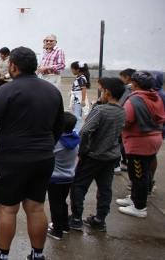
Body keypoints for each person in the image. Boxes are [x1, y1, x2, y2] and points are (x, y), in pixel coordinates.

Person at [0, 46, 65, 260]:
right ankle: (37, 254)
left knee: (8, 209)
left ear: (13, 66)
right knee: (36, 207)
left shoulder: (7, 91)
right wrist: (48, 146)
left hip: (12, 158)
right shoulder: (52, 91)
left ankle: (2, 255)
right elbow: (59, 126)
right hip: (43, 157)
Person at [68, 77, 126, 233]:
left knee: (79, 186)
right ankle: (100, 219)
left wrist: (82, 151)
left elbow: (85, 130)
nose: (100, 92)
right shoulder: (122, 111)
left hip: (93, 156)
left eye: (102, 90)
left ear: (107, 92)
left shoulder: (100, 110)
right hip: (111, 156)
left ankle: (76, 218)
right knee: (105, 188)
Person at [115, 71, 165, 218]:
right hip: (154, 138)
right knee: (144, 172)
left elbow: (125, 121)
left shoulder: (134, 100)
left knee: (138, 175)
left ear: (135, 84)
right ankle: (134, 198)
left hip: (139, 143)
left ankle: (139, 207)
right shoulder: (155, 96)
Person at [45, 112, 79, 240]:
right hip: (69, 177)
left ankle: (57, 230)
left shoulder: (57, 142)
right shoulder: (75, 140)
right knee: (62, 202)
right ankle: (65, 226)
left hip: (55, 178)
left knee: (55, 204)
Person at [69, 61, 91, 130]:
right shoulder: (79, 77)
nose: (71, 71)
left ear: (77, 70)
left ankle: (77, 130)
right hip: (76, 99)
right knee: (76, 115)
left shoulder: (81, 78)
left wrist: (83, 100)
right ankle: (76, 129)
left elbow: (83, 89)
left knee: (77, 116)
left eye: (72, 69)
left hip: (79, 100)